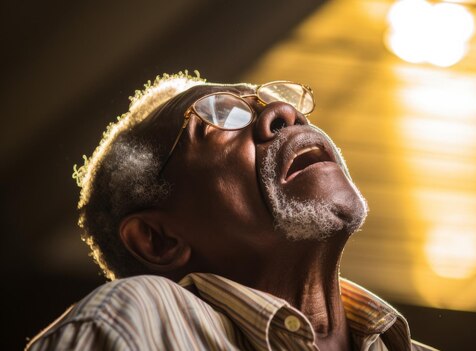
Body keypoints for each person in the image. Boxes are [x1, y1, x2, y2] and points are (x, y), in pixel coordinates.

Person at [26, 71, 437, 351]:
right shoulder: (134, 318)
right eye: (221, 116)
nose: (284, 114)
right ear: (159, 238)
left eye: (274, 103)